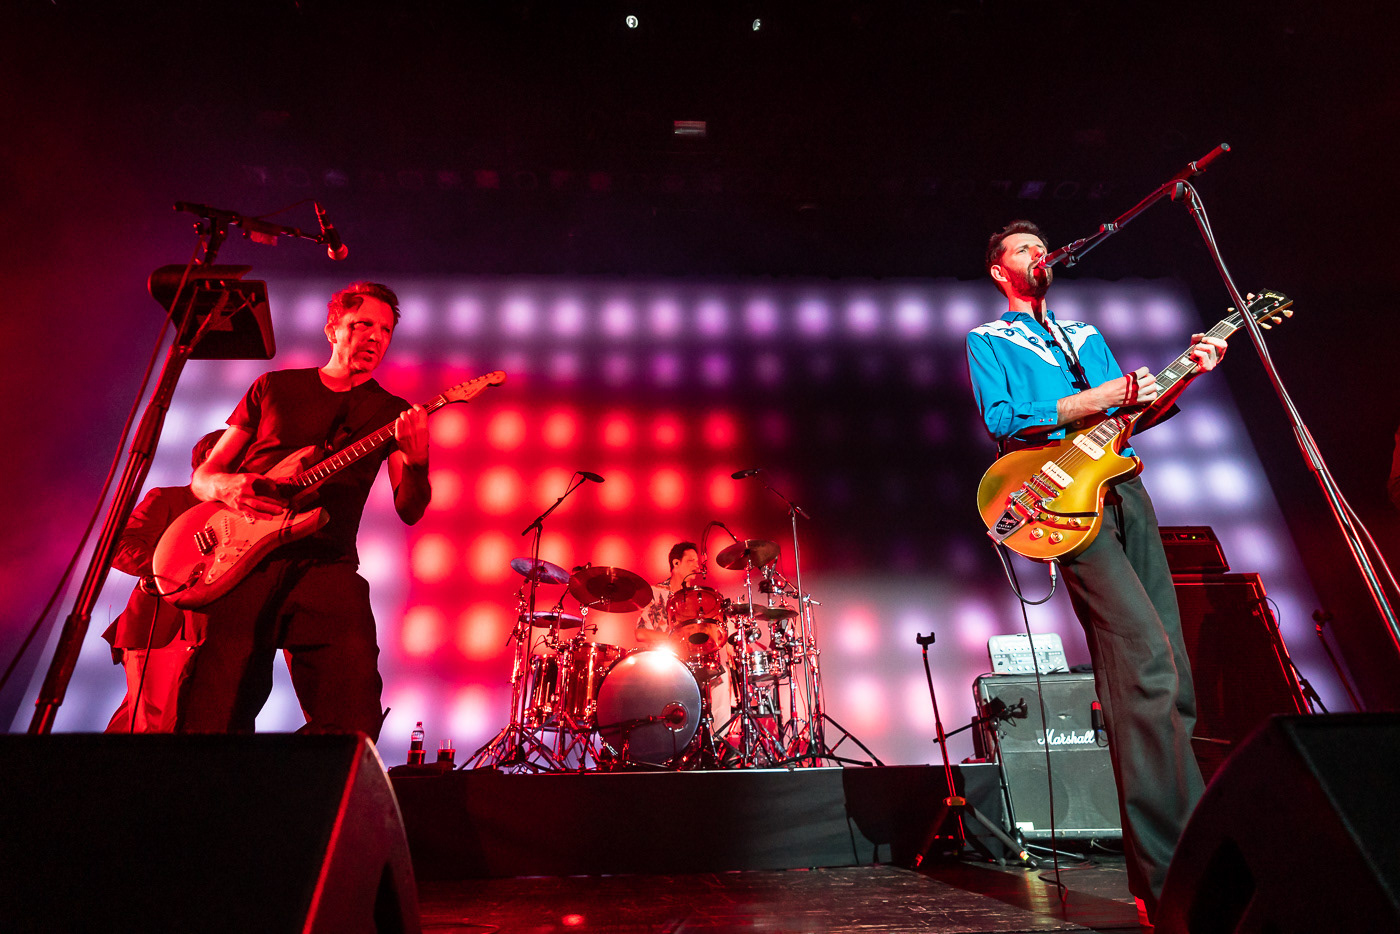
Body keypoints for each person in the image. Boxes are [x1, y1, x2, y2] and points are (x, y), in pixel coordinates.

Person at [965, 220, 1227, 924]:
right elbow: (1005, 418)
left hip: (1125, 488)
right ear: (999, 271)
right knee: (1142, 662)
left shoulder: (1084, 334)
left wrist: (1188, 373)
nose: (1037, 254)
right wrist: (1098, 398)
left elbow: (1132, 415)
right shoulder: (989, 339)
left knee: (1172, 669)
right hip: (1061, 501)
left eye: (1040, 245)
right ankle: (1167, 876)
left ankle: (1197, 851)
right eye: (1023, 249)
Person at [175, 281, 430, 741]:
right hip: (242, 565)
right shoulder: (274, 386)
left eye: (385, 331)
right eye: (363, 325)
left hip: (325, 563)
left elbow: (410, 509)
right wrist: (229, 487)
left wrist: (417, 460)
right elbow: (204, 477)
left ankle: (303, 781)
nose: (375, 337)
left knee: (352, 719)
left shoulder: (390, 412)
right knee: (215, 713)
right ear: (333, 329)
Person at [101, 430, 226, 733]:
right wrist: (172, 571)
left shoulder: (236, 512)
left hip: (208, 634)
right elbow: (119, 546)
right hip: (162, 630)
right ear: (208, 456)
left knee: (137, 724)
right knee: (154, 728)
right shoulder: (167, 498)